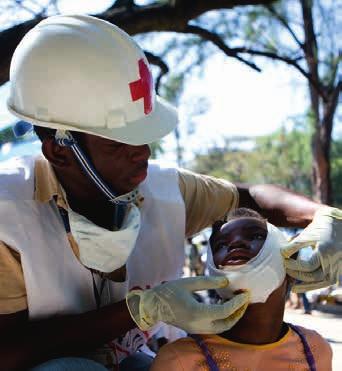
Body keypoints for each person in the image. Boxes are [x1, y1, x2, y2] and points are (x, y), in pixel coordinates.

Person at [0, 14, 340, 371]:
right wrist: (141, 310)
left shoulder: (162, 190)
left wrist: (324, 216)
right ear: (59, 150)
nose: (143, 153)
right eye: (121, 143)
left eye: (143, 135)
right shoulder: (9, 218)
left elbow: (250, 195)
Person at [151, 208, 333, 371]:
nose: (235, 243)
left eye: (256, 236)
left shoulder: (316, 348)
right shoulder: (178, 361)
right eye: (221, 245)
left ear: (292, 262)